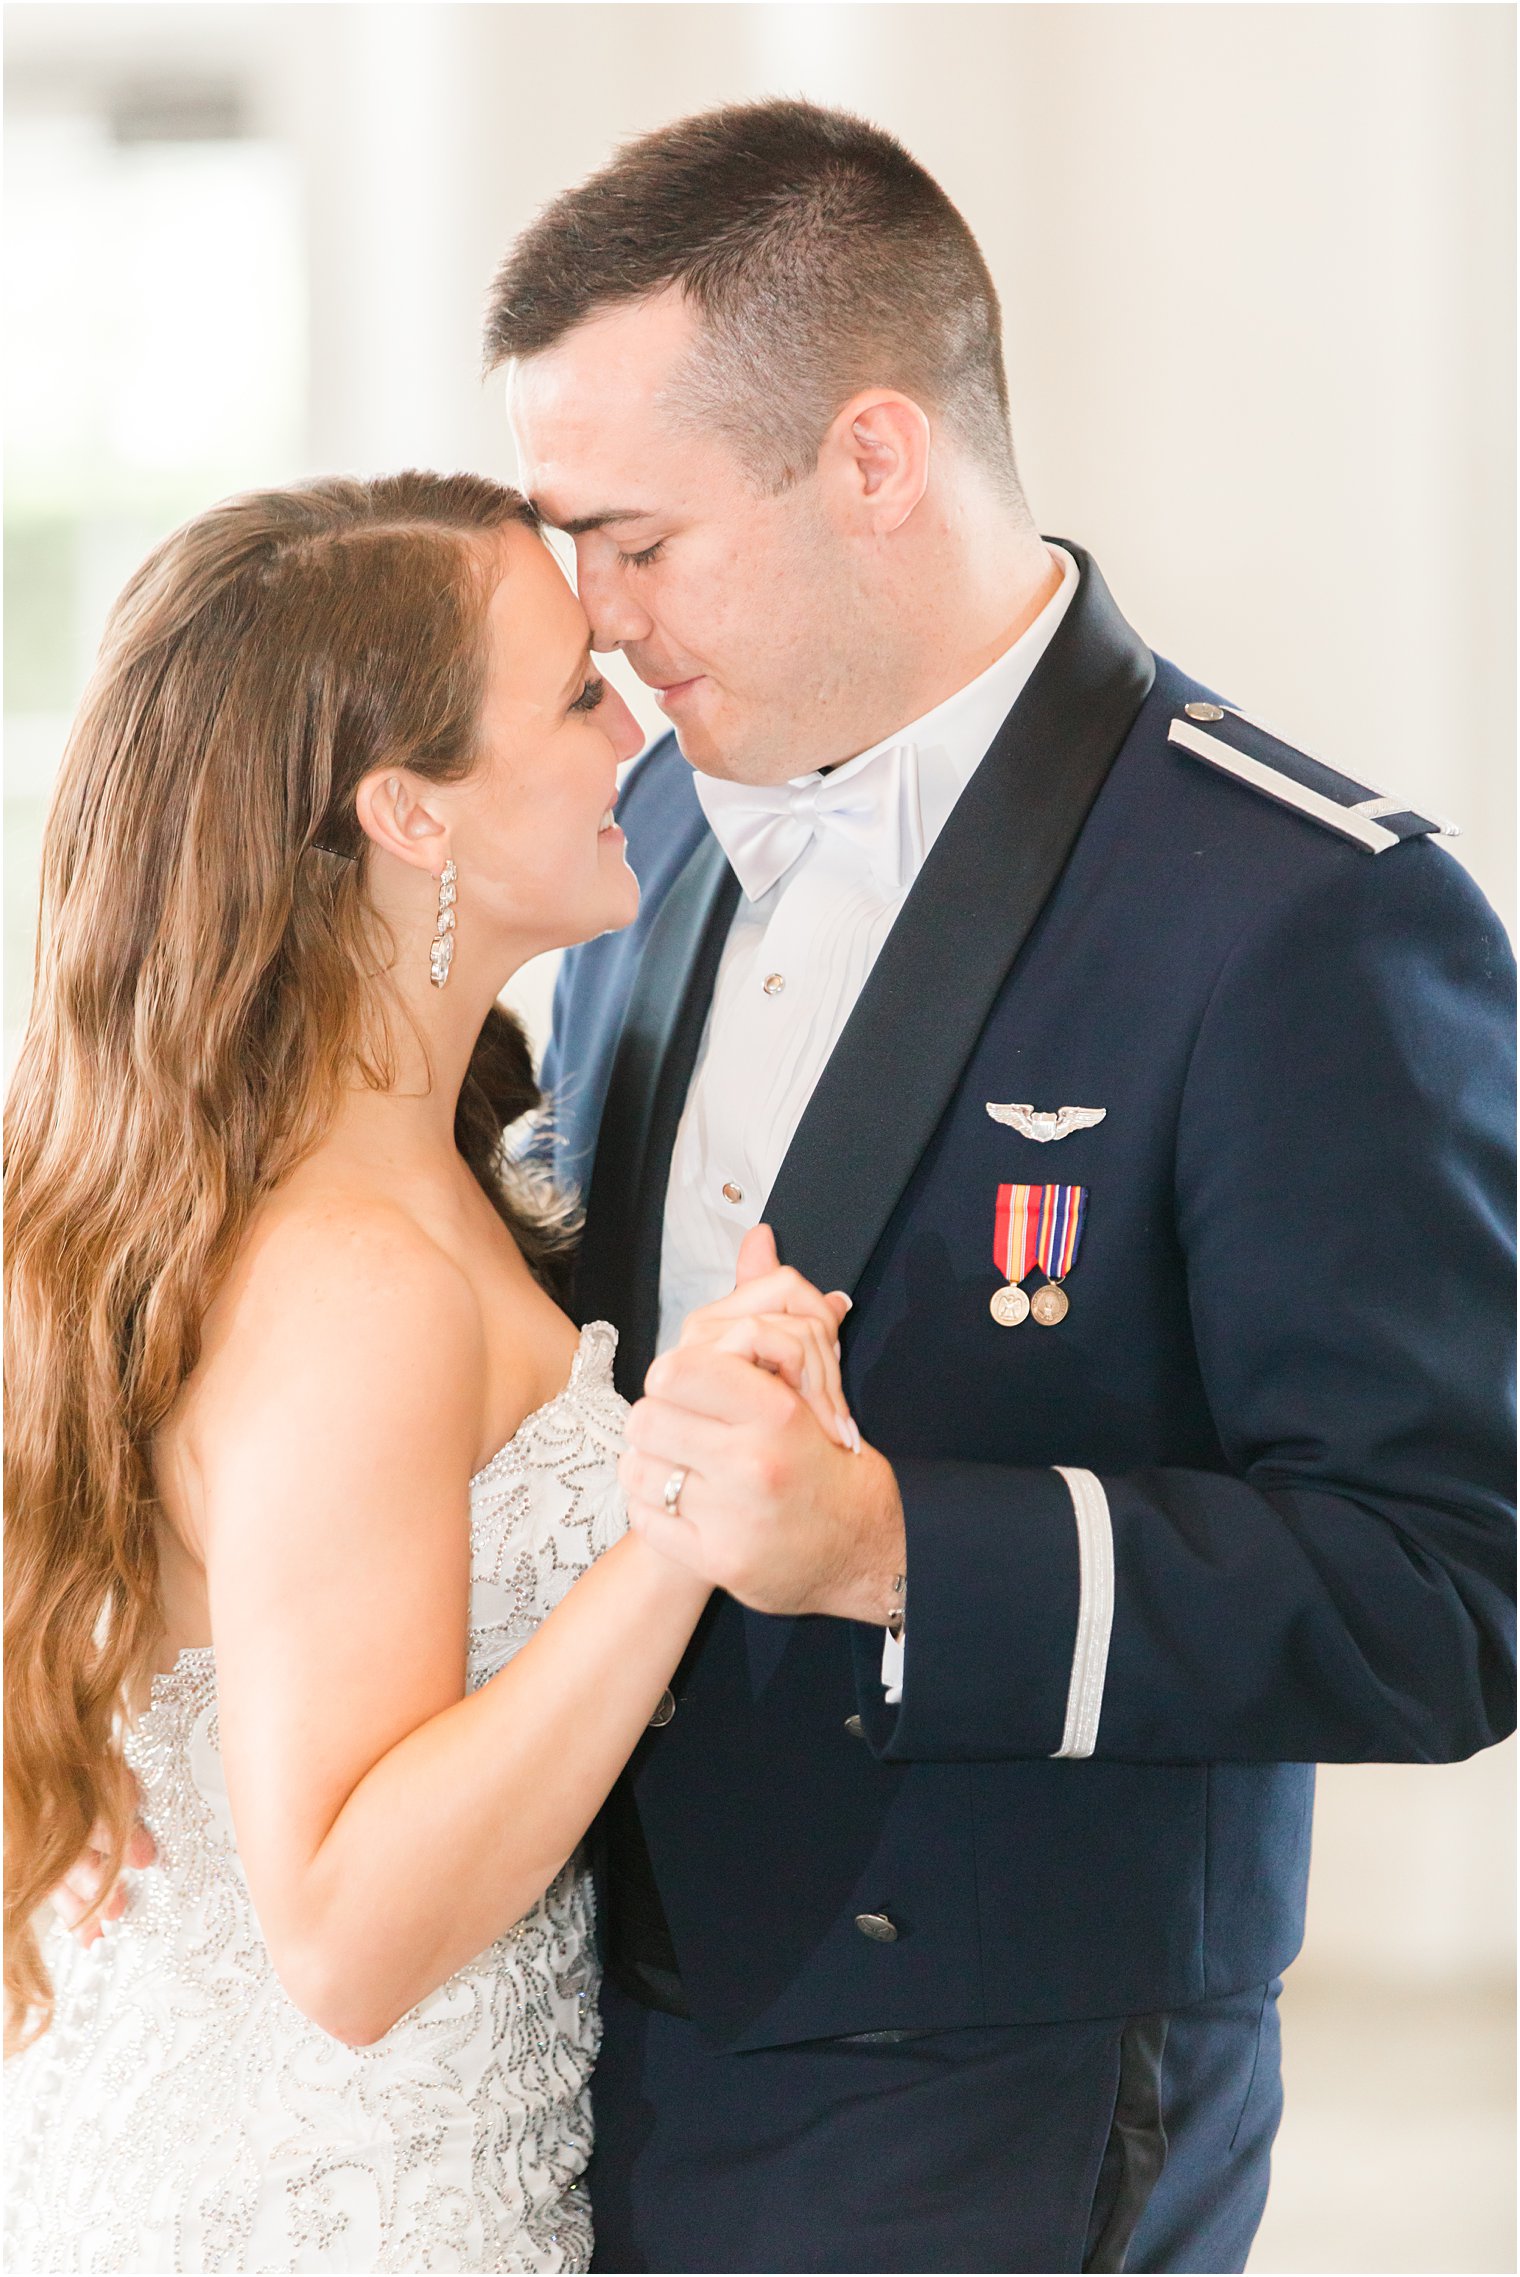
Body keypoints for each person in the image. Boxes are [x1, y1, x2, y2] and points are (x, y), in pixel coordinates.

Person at [481, 99, 1517, 2273]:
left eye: (637, 540)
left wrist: (888, 1548)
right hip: (577, 2017)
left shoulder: (1301, 910)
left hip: (991, 2064)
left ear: (872, 457)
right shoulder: (634, 830)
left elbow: (1448, 1592)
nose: (593, 622)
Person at [2, 470, 857, 2274]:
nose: (631, 716)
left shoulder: (393, 1168)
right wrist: (680, 1531)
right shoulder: (356, 1278)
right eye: (567, 694)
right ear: (408, 812)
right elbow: (345, 1934)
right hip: (338, 2214)